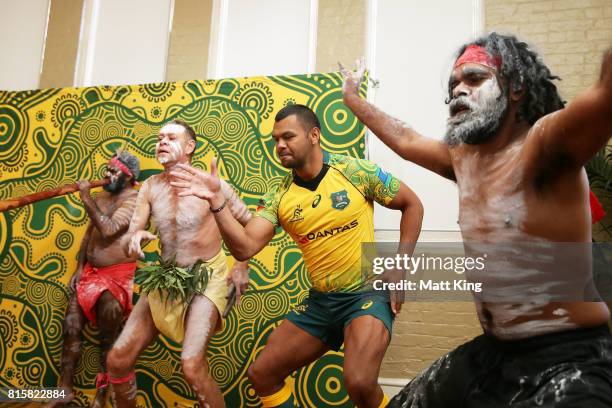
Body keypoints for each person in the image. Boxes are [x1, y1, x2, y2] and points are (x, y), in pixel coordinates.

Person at [340, 33, 612, 407]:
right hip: (497, 354)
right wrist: (351, 99)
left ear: (515, 89)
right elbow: (404, 138)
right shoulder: (464, 159)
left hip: (569, 356)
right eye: (453, 85)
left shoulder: (544, 145)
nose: (458, 91)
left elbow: (605, 97)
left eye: (473, 78)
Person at [168, 104, 424, 408]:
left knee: (359, 382)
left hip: (365, 294)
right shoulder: (279, 195)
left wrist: (400, 266)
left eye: (288, 137)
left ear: (314, 135)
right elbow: (246, 246)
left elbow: (412, 205)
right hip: (321, 301)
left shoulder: (354, 171)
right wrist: (216, 202)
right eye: (275, 139)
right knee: (262, 374)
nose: (280, 146)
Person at [105, 119, 252, 408]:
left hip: (206, 278)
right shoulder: (149, 187)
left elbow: (250, 226)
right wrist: (133, 241)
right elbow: (130, 236)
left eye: (171, 138)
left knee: (191, 365)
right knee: (117, 360)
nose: (162, 142)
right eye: (160, 138)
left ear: (189, 146)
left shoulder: (213, 184)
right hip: (165, 278)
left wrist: (241, 264)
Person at [45, 150, 141, 408]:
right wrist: (79, 266)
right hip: (90, 273)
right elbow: (90, 234)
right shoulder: (102, 195)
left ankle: (101, 396)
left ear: (128, 176)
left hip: (116, 278)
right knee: (71, 326)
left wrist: (85, 197)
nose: (107, 175)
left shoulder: (135, 200)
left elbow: (108, 229)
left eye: (113, 171)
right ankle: (64, 390)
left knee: (107, 340)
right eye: (107, 170)